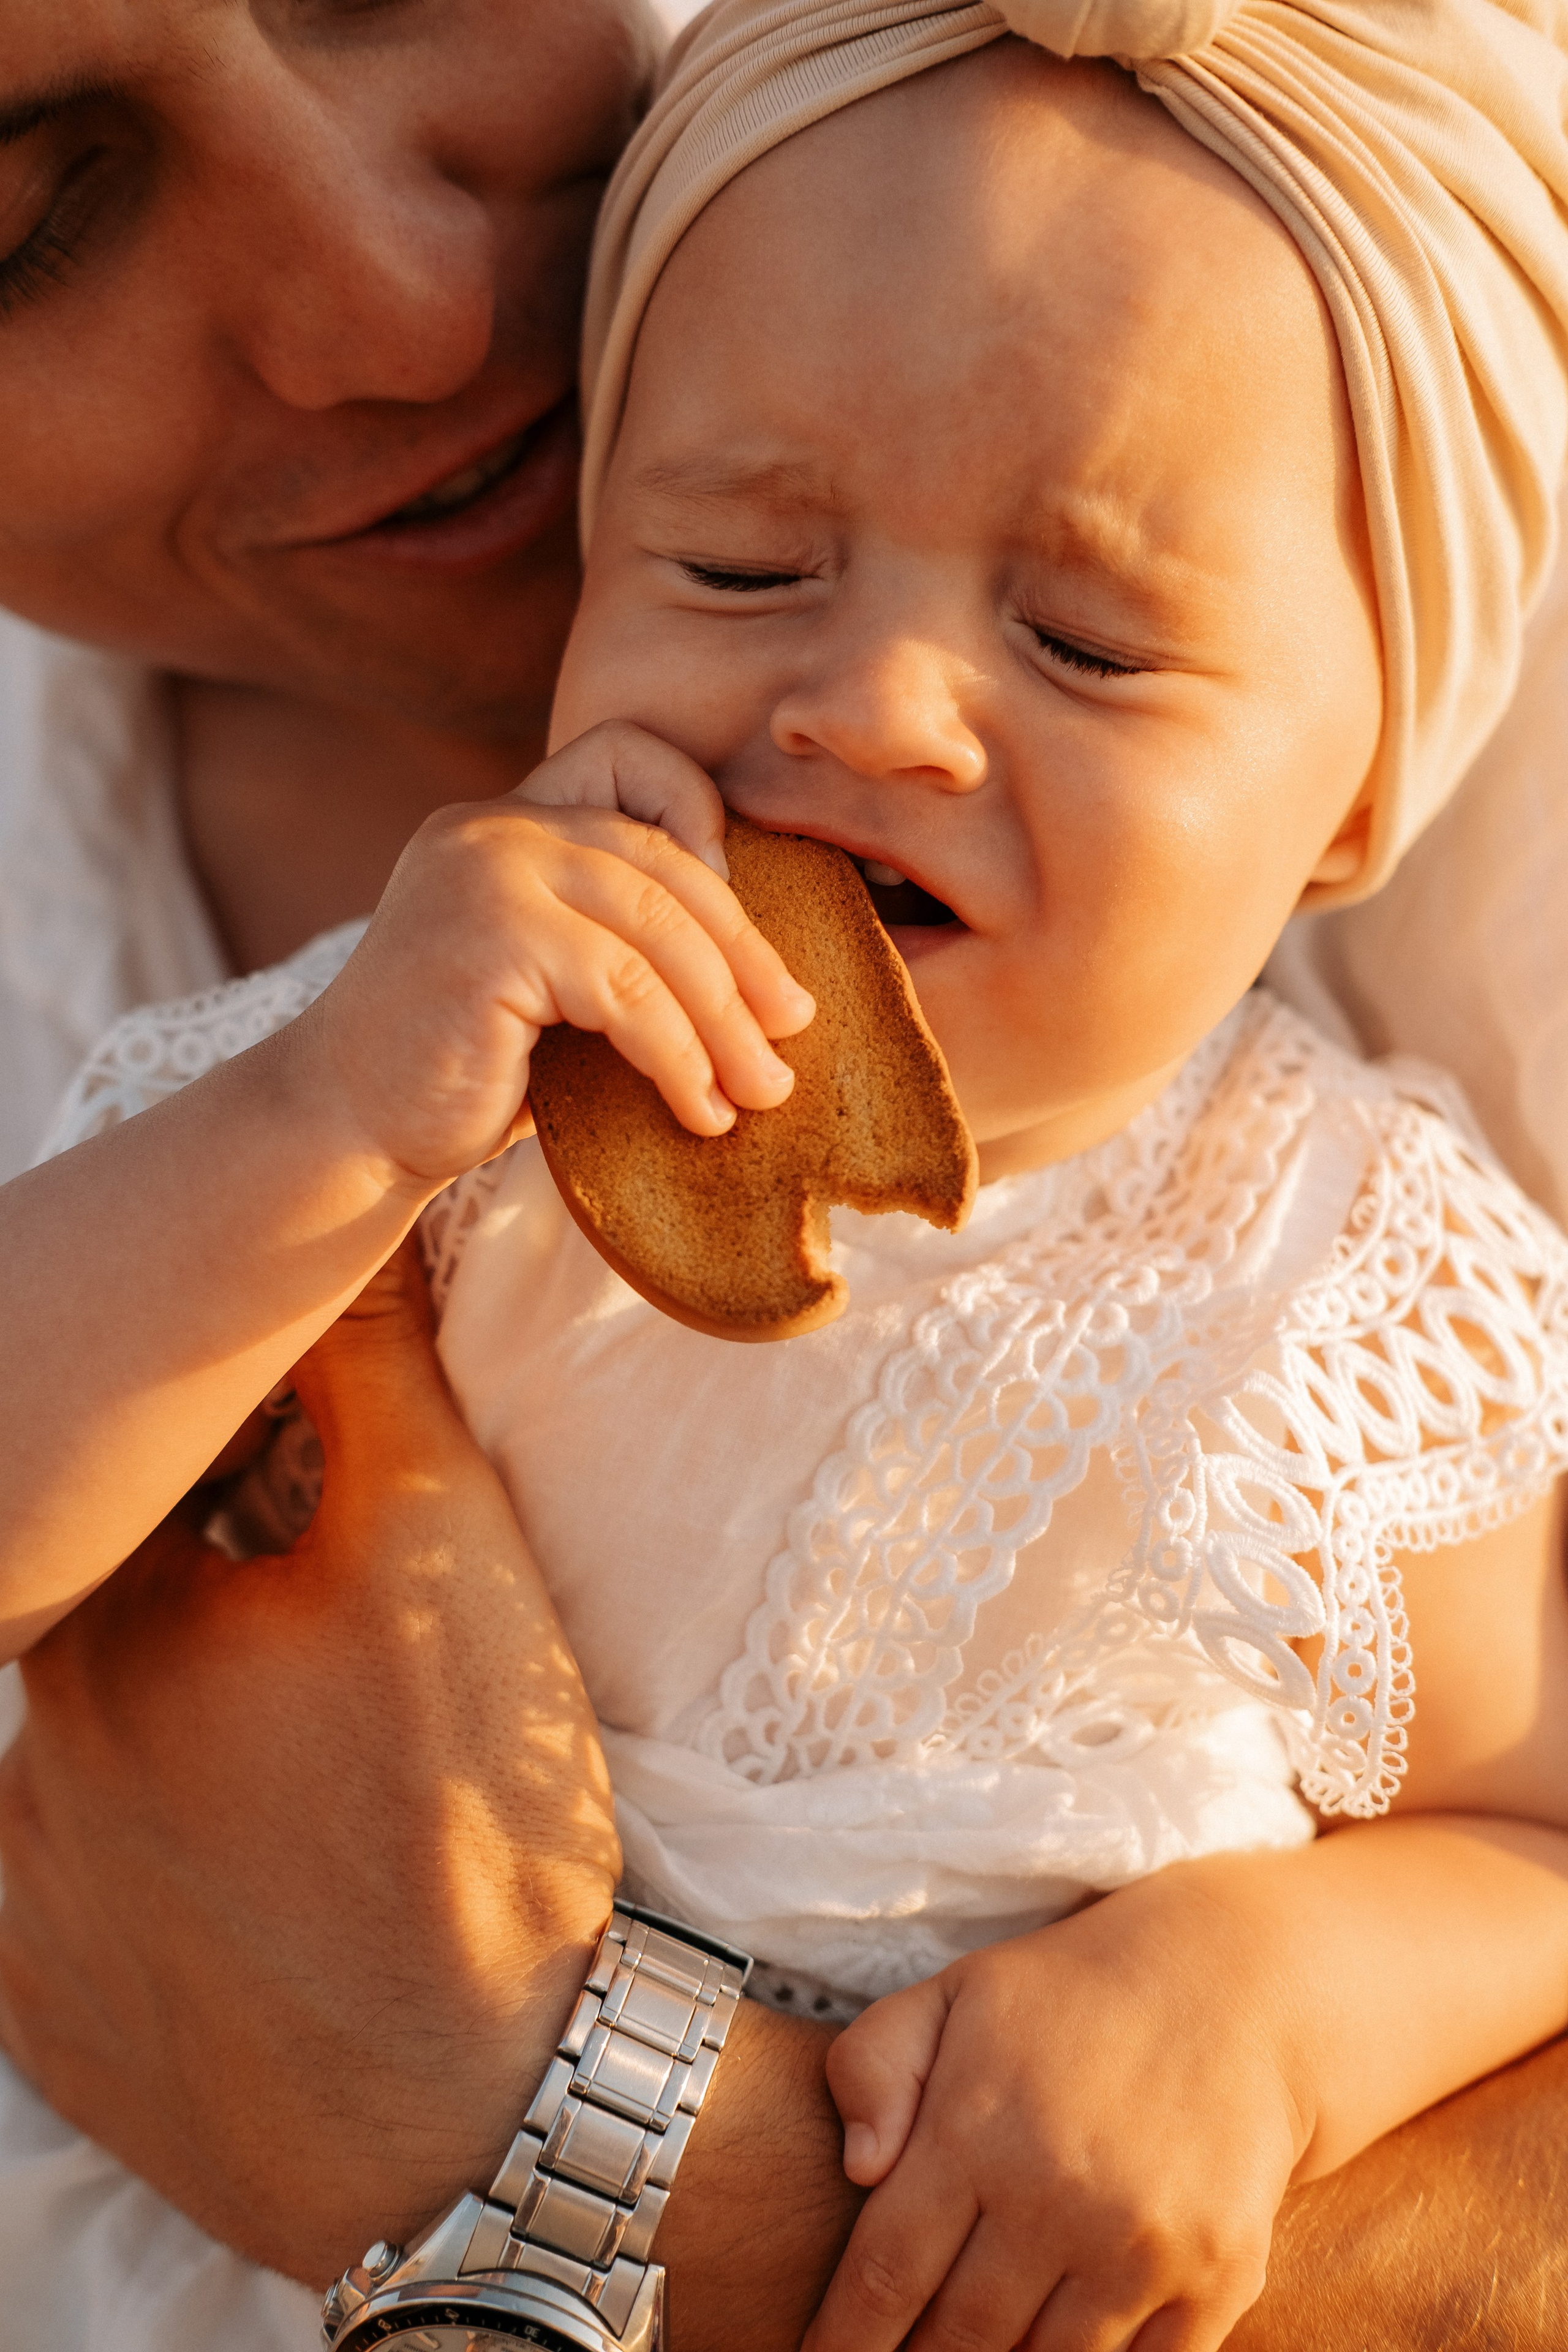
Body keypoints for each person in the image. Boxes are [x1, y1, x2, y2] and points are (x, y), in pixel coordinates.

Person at [2, 4, 1568, 2351]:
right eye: (737, 568)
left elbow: (1536, 1844)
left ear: (1355, 797)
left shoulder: (1347, 1275)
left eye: (1085, 641)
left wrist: (1281, 1994)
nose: (874, 707)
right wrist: (316, 1119)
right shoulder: (390, 1075)